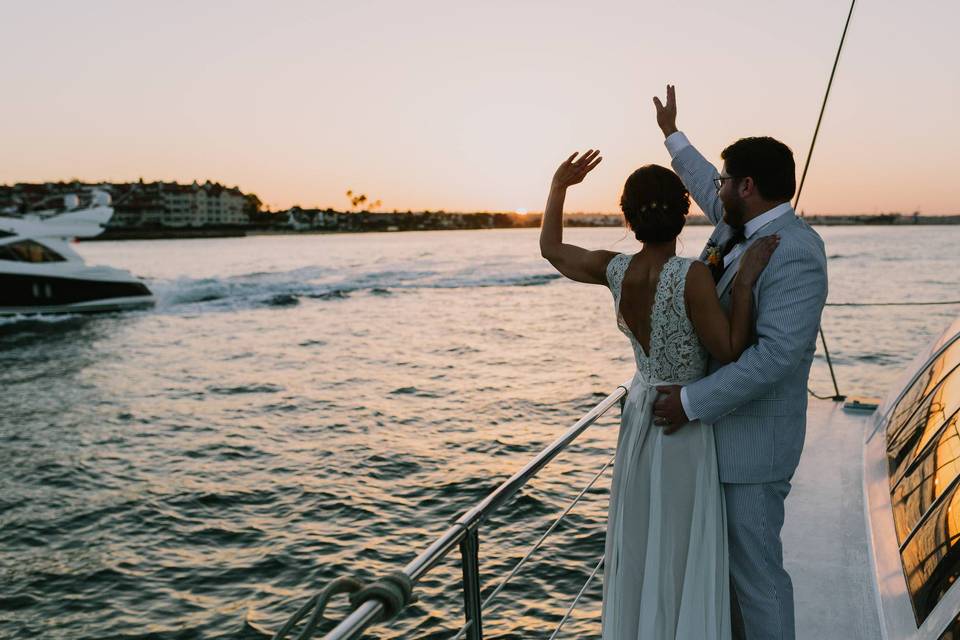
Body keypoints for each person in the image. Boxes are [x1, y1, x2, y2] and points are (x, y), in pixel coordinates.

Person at [539, 149, 778, 639]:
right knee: (680, 541)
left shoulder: (615, 269)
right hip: (683, 422)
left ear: (627, 218)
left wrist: (558, 186)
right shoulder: (689, 276)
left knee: (645, 534)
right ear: (685, 209)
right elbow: (731, 350)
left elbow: (553, 250)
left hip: (640, 415)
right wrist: (747, 282)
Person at [652, 85, 829, 640]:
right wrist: (672, 134)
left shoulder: (795, 248)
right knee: (724, 578)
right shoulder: (738, 225)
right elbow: (704, 180)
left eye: (727, 180)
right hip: (719, 444)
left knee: (757, 577)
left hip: (754, 449)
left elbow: (776, 357)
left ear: (747, 186)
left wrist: (688, 401)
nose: (717, 188)